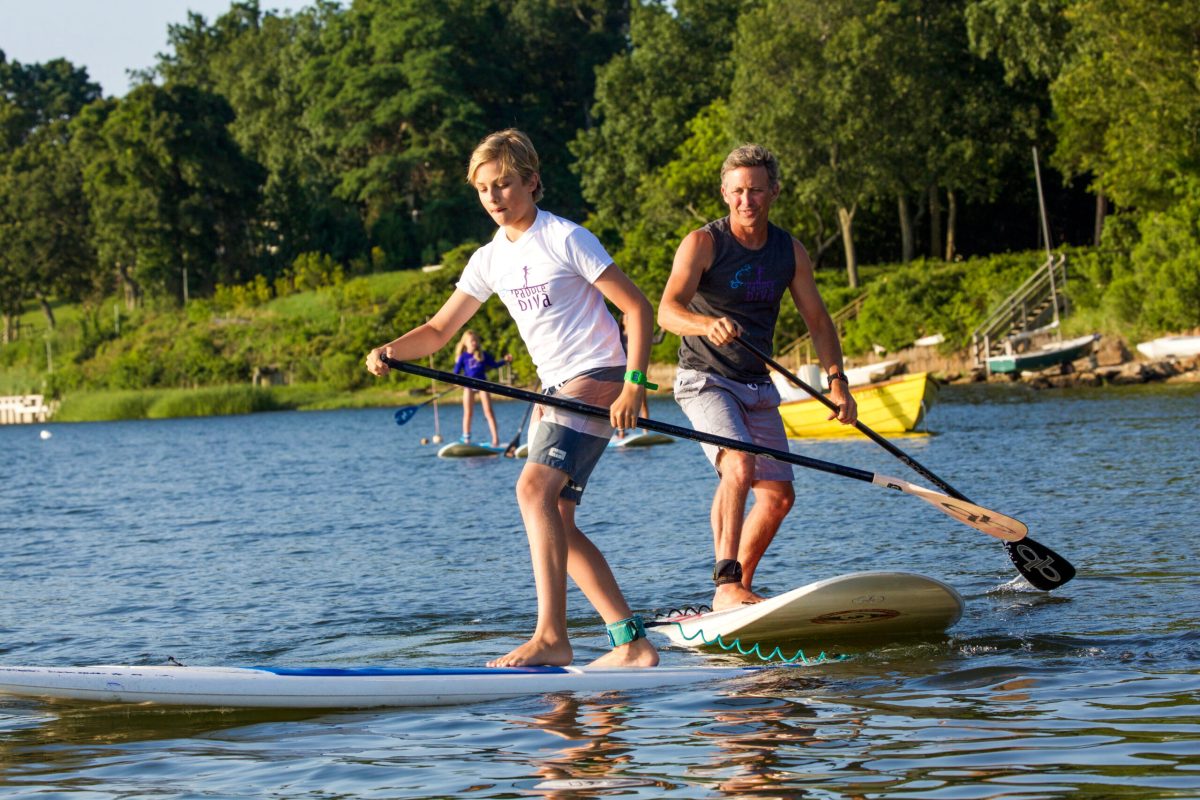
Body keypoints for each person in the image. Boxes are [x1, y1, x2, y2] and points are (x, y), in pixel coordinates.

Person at [365, 129, 658, 669]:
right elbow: (438, 329)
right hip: (554, 388)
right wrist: (390, 348)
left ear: (532, 182)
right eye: (483, 189)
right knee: (559, 521)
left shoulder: (566, 238)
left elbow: (637, 308)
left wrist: (635, 384)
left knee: (531, 491)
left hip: (597, 373)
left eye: (503, 184)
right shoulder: (488, 259)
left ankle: (551, 637)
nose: (494, 197)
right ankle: (632, 644)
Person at [657, 143, 858, 611]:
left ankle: (733, 592)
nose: (746, 201)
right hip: (703, 377)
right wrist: (707, 324)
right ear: (725, 194)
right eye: (738, 192)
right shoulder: (704, 243)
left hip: (755, 382)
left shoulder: (789, 250)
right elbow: (667, 310)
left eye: (756, 191)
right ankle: (727, 582)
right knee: (739, 465)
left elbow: (820, 323)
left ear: (774, 193)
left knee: (778, 497)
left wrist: (838, 383)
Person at [452, 329, 512, 446]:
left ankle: (495, 439)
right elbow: (456, 372)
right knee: (468, 413)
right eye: (471, 341)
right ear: (465, 343)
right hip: (468, 386)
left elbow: (494, 365)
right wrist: (457, 381)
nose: (474, 343)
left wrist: (505, 361)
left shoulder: (483, 355)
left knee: (488, 412)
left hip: (483, 384)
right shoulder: (463, 357)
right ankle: (466, 438)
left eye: (475, 340)